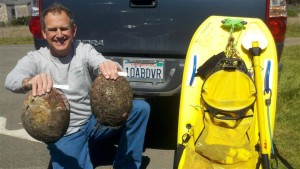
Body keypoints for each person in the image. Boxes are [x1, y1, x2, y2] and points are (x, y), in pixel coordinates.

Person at [5, 2, 150, 169]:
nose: (59, 34)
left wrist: (109, 66)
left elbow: (100, 62)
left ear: (73, 31)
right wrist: (29, 81)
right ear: (44, 33)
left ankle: (126, 165)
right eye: (52, 29)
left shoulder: (84, 50)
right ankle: (73, 152)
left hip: (93, 121)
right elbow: (11, 80)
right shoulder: (36, 58)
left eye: (64, 28)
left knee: (141, 109)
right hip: (67, 133)